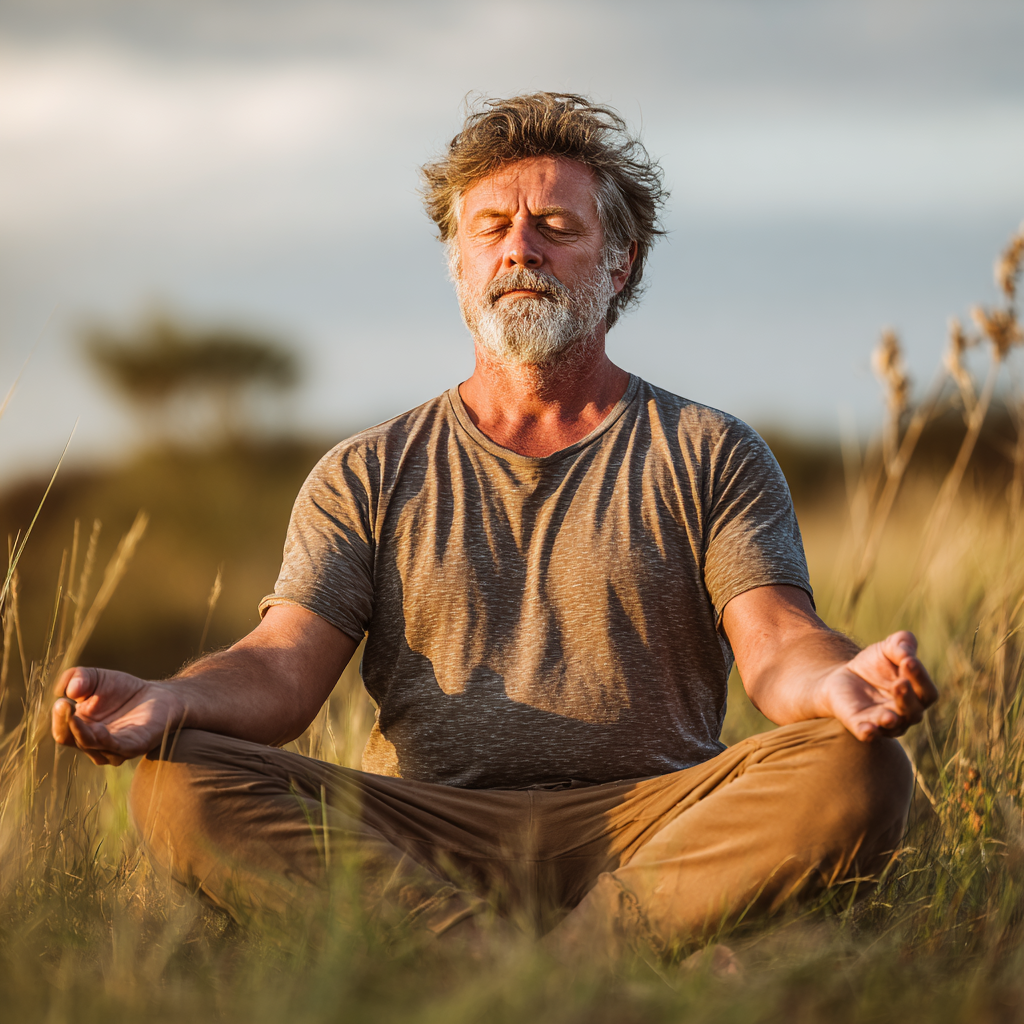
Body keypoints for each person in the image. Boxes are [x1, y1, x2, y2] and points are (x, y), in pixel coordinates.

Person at [51, 93, 937, 960]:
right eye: (492, 227)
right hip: (421, 834)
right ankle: (524, 968)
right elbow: (282, 667)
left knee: (858, 767)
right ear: (458, 260)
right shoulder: (366, 469)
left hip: (655, 824)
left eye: (557, 227)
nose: (521, 249)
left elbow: (778, 643)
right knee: (178, 781)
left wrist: (837, 683)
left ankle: (513, 969)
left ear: (619, 263)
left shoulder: (709, 450)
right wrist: (177, 698)